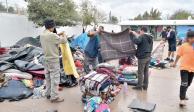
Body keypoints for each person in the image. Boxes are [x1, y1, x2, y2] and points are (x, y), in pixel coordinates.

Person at [40, 19, 67, 103]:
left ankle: (48, 94)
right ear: (52, 27)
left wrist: (58, 34)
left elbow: (52, 36)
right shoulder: (52, 36)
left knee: (48, 78)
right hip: (53, 60)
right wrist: (64, 34)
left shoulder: (42, 34)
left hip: (46, 59)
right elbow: (64, 40)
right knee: (55, 79)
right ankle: (54, 97)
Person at [172, 31, 194, 107]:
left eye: (193, 38)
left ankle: (183, 93)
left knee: (189, 83)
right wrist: (175, 63)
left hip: (192, 69)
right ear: (187, 38)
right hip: (184, 68)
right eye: (190, 38)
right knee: (184, 83)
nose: (192, 39)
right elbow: (178, 55)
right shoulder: (183, 46)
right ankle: (182, 99)